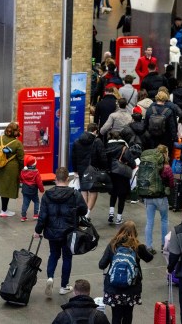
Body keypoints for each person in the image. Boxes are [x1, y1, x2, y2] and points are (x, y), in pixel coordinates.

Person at [35, 167, 88, 297]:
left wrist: (37, 231)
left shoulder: (47, 195)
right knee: (67, 258)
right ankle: (64, 286)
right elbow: (84, 210)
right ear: (67, 179)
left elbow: (42, 216)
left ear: (55, 179)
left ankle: (50, 277)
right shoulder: (75, 194)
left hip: (52, 231)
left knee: (53, 255)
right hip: (69, 232)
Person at [98, 221, 154, 324]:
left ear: (121, 230)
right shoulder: (137, 246)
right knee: (128, 314)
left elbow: (101, 264)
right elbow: (149, 258)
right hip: (131, 288)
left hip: (114, 287)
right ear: (135, 232)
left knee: (116, 315)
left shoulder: (113, 244)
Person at [143, 145, 175, 255]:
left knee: (149, 221)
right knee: (164, 220)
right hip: (161, 197)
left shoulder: (149, 165)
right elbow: (171, 183)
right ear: (165, 153)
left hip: (149, 197)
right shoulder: (166, 167)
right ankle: (164, 245)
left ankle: (148, 246)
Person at [71, 123, 108, 218]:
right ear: (95, 131)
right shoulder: (97, 141)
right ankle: (87, 213)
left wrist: (75, 170)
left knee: (83, 191)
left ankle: (83, 212)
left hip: (81, 169)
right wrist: (104, 169)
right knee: (93, 191)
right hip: (93, 170)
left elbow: (73, 157)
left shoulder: (77, 141)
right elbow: (102, 157)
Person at [0, 122, 24, 217]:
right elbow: (21, 158)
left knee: (3, 188)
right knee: (6, 189)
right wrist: (21, 169)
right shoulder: (17, 143)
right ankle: (4, 210)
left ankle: (4, 209)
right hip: (10, 169)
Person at [106, 130, 137, 225]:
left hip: (111, 173)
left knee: (113, 194)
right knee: (122, 196)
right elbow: (132, 163)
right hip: (122, 174)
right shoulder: (124, 148)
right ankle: (119, 217)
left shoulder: (107, 147)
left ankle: (111, 213)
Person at [19, 154, 44, 221]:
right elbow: (39, 182)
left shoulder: (22, 171)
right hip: (33, 190)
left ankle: (23, 216)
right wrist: (42, 190)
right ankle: (36, 215)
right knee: (36, 201)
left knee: (25, 203)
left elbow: (20, 179)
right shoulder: (36, 172)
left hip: (25, 189)